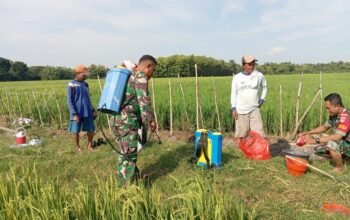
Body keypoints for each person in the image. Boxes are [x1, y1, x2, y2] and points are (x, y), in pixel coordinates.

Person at [113, 55, 157, 187]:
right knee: (127, 156)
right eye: (153, 70)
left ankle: (136, 175)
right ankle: (125, 188)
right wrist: (151, 121)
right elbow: (144, 101)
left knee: (125, 150)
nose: (152, 74)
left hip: (117, 120)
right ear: (147, 66)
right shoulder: (140, 76)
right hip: (128, 122)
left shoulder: (128, 75)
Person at [300, 93, 350, 173]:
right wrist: (308, 132)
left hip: (347, 143)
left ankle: (340, 168)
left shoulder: (346, 116)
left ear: (337, 106)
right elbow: (324, 127)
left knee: (331, 144)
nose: (327, 110)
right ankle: (343, 159)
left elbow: (337, 137)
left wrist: (315, 140)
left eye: (328, 108)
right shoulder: (334, 115)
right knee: (319, 149)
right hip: (345, 143)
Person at [231, 55, 267, 141]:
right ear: (243, 65)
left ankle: (257, 152)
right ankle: (242, 152)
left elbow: (264, 87)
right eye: (249, 64)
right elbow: (234, 93)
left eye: (253, 64)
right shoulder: (237, 78)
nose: (252, 66)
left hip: (254, 109)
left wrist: (262, 98)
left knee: (259, 133)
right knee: (241, 134)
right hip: (241, 110)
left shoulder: (259, 75)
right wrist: (233, 108)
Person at [67, 64, 96, 152]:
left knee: (91, 129)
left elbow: (88, 98)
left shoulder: (86, 84)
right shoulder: (71, 85)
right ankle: (78, 147)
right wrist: (74, 114)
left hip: (88, 111)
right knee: (75, 131)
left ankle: (90, 145)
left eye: (86, 75)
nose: (85, 77)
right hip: (77, 112)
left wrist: (92, 109)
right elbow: (69, 100)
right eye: (84, 75)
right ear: (77, 74)